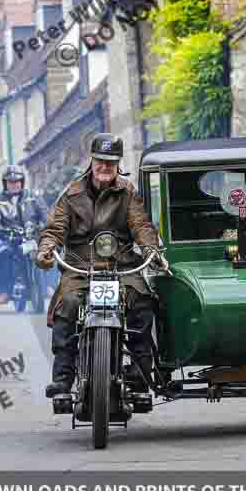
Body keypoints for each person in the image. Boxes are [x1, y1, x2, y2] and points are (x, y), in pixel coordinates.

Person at [36, 134, 168, 399]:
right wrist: (46, 248)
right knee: (69, 305)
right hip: (80, 268)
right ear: (92, 161)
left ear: (118, 164)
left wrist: (151, 249)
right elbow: (55, 227)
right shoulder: (72, 193)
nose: (104, 167)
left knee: (141, 303)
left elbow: (141, 225)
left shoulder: (128, 192)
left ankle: (141, 376)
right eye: (100, 161)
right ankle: (62, 379)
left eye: (110, 162)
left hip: (121, 266)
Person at [0, 166, 47, 304]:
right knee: (2, 254)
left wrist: (47, 224)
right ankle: (6, 290)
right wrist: (0, 229)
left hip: (33, 236)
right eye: (11, 182)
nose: (14, 184)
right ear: (5, 183)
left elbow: (45, 214)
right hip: (11, 237)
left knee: (53, 250)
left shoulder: (33, 197)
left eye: (17, 181)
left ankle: (50, 284)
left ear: (22, 182)